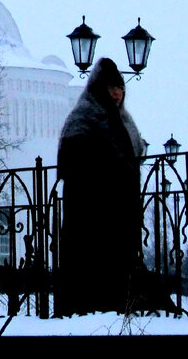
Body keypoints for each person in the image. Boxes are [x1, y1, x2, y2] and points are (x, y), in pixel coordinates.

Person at [55, 57, 148, 315]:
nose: (117, 94)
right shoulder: (83, 117)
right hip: (93, 213)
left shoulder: (122, 120)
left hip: (119, 212)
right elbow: (73, 161)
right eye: (110, 88)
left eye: (120, 88)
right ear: (99, 89)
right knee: (92, 274)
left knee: (117, 271)